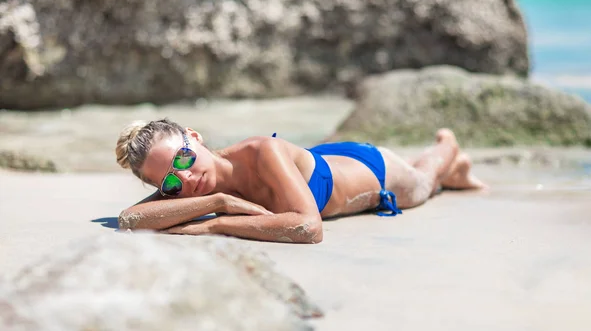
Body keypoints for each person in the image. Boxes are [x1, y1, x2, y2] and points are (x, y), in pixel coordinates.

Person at [115, 119, 486, 243]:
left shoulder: (262, 152)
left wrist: (217, 226)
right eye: (171, 183)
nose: (188, 178)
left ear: (193, 136)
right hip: (320, 158)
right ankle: (458, 173)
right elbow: (129, 219)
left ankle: (447, 148)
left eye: (184, 158)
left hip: (372, 171)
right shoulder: (197, 189)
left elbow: (309, 227)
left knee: (423, 184)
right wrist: (219, 202)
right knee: (434, 183)